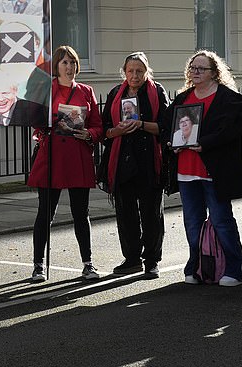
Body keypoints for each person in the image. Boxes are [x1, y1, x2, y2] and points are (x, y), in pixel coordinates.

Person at [162, 50, 242, 286]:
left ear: (214, 73)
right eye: (193, 68)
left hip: (214, 171)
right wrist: (172, 144)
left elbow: (234, 129)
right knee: (193, 221)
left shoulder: (229, 98)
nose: (196, 72)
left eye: (201, 68)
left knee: (221, 219)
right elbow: (167, 128)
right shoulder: (182, 99)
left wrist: (205, 143)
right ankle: (197, 265)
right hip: (186, 170)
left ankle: (235, 266)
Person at [26, 46, 103, 282]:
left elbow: (98, 126)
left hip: (78, 155)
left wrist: (89, 134)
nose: (69, 67)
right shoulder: (46, 90)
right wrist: (47, 125)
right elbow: (34, 121)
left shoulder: (86, 91)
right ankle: (38, 265)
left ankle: (88, 264)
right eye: (65, 63)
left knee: (81, 213)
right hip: (52, 157)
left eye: (73, 62)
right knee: (45, 214)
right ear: (56, 66)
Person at [101, 52, 170, 279]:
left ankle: (151, 260)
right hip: (122, 161)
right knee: (126, 212)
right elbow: (104, 131)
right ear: (124, 71)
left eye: (139, 71)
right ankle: (131, 259)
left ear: (147, 71)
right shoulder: (114, 93)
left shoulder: (157, 92)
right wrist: (117, 131)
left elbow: (166, 127)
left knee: (151, 212)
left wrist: (140, 124)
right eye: (130, 70)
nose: (134, 75)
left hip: (149, 161)